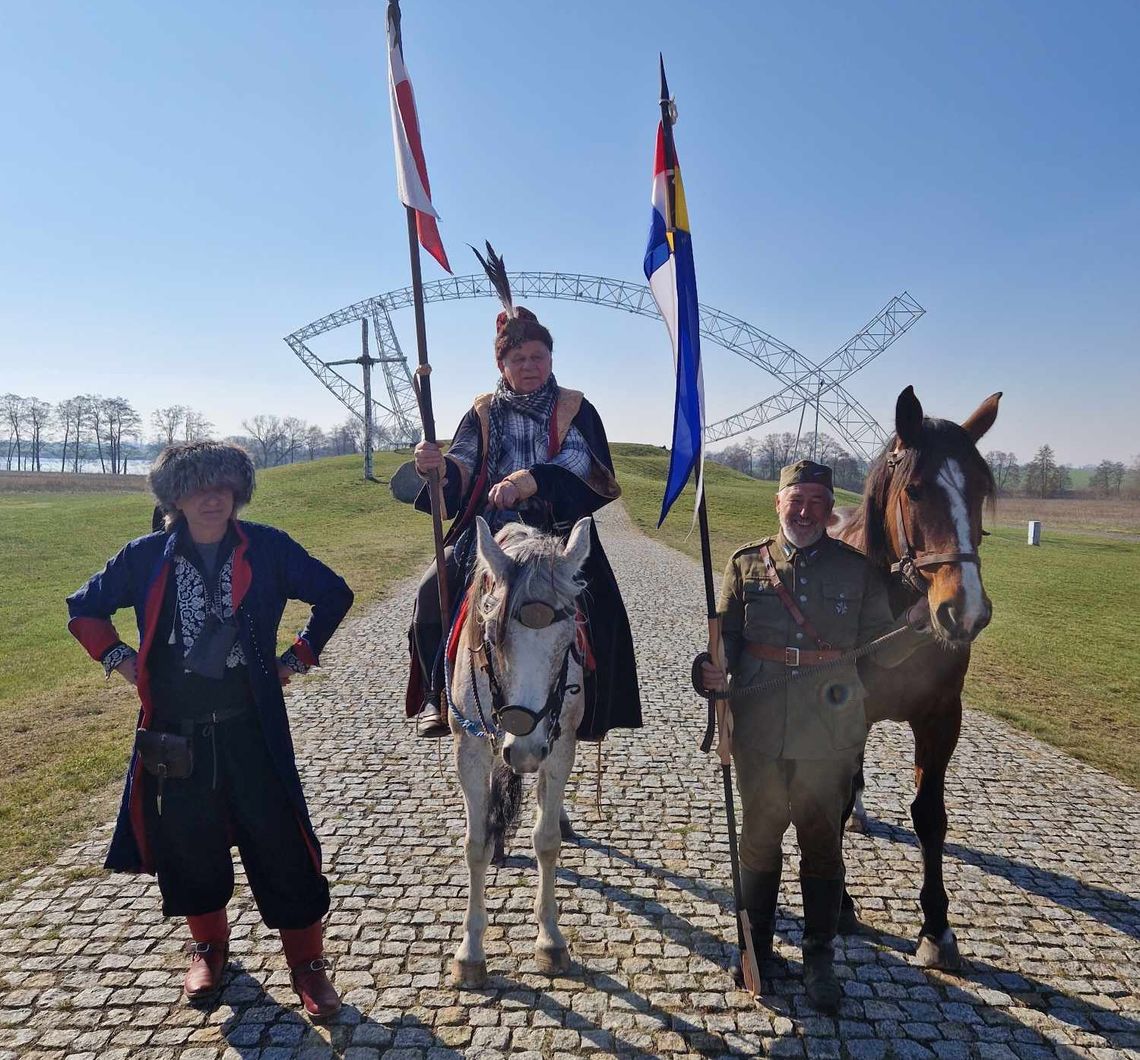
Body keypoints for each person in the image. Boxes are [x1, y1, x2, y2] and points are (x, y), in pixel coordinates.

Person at [66, 441, 354, 1021]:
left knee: (281, 844)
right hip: (177, 734)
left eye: (222, 486)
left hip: (253, 729)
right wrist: (124, 663)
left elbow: (333, 594)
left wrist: (296, 658)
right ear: (175, 496)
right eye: (198, 486)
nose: (211, 497)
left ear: (237, 492)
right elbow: (84, 609)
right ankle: (209, 948)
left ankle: (307, 964)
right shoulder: (145, 556)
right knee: (189, 845)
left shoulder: (267, 547)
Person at [697, 459, 932, 1013]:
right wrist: (705, 671)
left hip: (829, 736)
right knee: (757, 841)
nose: (803, 511)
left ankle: (819, 957)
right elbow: (725, 642)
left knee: (821, 847)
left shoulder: (856, 571)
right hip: (757, 728)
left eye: (815, 504)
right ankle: (755, 947)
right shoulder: (746, 565)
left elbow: (878, 649)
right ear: (778, 503)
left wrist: (916, 629)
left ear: (829, 512)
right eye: (794, 500)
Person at [406, 247, 640, 742]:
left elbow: (582, 462)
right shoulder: (483, 411)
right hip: (490, 532)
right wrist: (438, 467)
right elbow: (466, 462)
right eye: (518, 358)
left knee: (602, 608)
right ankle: (436, 692)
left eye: (538, 356)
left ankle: (591, 706)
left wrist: (531, 480)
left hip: (555, 531)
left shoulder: (575, 407)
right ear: (503, 364)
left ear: (551, 358)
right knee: (434, 589)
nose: (529, 365)